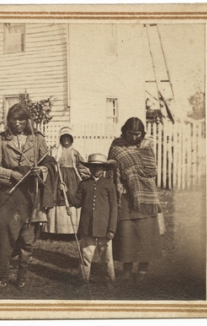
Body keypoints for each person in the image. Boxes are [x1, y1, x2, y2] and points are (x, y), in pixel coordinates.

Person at [0, 103, 55, 289]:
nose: (18, 123)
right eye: (14, 119)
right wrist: (10, 174)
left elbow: (48, 162)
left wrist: (41, 170)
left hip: (29, 195)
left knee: (27, 238)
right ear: (9, 121)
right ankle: (2, 275)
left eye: (22, 119)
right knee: (4, 236)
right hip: (8, 195)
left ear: (28, 120)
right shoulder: (1, 140)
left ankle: (21, 275)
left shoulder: (37, 139)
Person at [107, 117, 162, 282]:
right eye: (130, 134)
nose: (134, 137)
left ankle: (143, 269)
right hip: (124, 193)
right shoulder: (117, 146)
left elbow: (151, 169)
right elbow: (111, 169)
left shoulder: (147, 147)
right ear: (124, 131)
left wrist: (131, 171)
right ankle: (127, 269)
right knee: (126, 232)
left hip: (145, 196)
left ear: (142, 133)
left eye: (137, 134)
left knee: (146, 232)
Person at [71, 153, 118, 286]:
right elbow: (76, 202)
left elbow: (114, 208)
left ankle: (110, 281)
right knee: (85, 255)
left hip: (104, 227)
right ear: (89, 168)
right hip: (87, 226)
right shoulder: (84, 184)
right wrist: (66, 192)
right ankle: (83, 280)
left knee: (107, 257)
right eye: (93, 166)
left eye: (99, 167)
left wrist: (112, 229)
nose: (96, 169)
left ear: (104, 168)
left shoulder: (109, 185)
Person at [43, 126, 91, 234]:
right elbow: (50, 165)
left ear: (71, 139)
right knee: (57, 198)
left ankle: (72, 230)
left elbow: (82, 166)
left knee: (72, 198)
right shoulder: (55, 152)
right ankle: (56, 230)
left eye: (68, 138)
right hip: (58, 178)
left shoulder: (75, 153)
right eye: (64, 138)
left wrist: (86, 176)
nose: (66, 141)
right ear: (61, 139)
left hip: (72, 180)